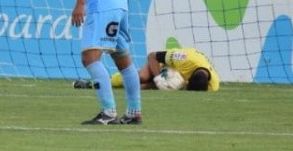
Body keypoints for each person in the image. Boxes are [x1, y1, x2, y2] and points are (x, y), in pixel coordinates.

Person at [85, 47, 221, 91]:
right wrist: (158, 78)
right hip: (162, 66)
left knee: (139, 87)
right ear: (189, 78)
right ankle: (99, 81)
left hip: (174, 78)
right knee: (141, 77)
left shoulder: (212, 85)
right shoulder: (184, 58)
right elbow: (152, 56)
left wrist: (157, 85)